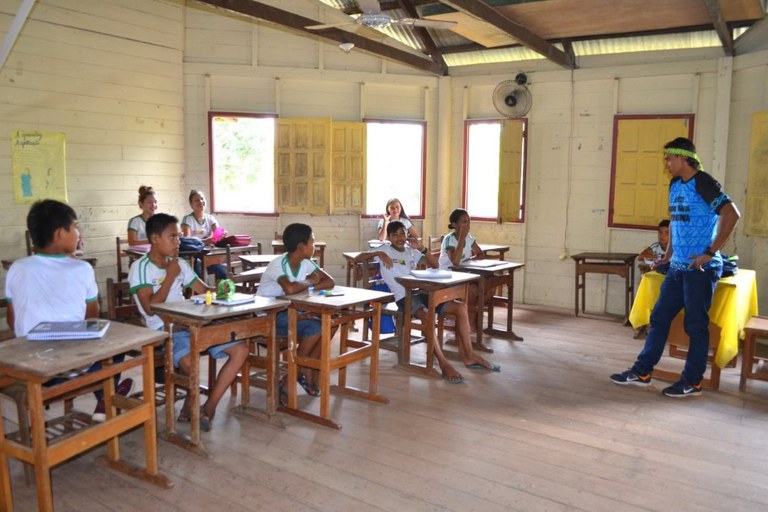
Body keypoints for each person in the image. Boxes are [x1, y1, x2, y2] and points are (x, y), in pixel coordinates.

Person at [610, 137, 740, 398]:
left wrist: (710, 252)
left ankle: (693, 382)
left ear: (683, 158)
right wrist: (667, 256)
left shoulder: (704, 182)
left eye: (669, 159)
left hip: (700, 269)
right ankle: (642, 372)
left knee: (695, 325)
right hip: (678, 267)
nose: (666, 164)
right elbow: (676, 223)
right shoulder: (674, 184)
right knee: (659, 318)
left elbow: (732, 214)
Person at [4, 199, 133, 421]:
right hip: (70, 367)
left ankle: (106, 395)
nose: (79, 234)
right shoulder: (82, 269)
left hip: (26, 366)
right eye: (75, 227)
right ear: (60, 234)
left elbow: (11, 320)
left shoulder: (17, 267)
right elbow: (91, 319)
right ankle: (106, 396)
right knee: (117, 336)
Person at [129, 213, 248, 431]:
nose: (178, 241)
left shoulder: (180, 263)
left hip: (192, 322)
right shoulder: (140, 267)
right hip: (164, 329)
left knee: (240, 350)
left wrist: (222, 290)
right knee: (188, 362)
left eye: (178, 236)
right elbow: (150, 308)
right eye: (172, 237)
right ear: (155, 239)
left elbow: (203, 290)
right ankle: (189, 403)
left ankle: (208, 408)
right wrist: (170, 277)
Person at [354, 220, 500, 384]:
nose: (399, 238)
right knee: (427, 316)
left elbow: (435, 264)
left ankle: (469, 355)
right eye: (395, 235)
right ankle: (443, 363)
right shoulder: (384, 249)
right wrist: (377, 253)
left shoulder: (411, 251)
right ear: (389, 237)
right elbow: (357, 258)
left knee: (460, 307)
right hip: (404, 296)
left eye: (402, 234)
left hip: (421, 292)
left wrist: (422, 248)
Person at [257, 223, 335, 403]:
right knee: (316, 328)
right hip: (268, 317)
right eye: (312, 242)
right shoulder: (278, 264)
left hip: (290, 311)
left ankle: (302, 370)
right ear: (301, 246)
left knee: (331, 324)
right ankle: (296, 374)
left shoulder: (305, 262)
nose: (314, 246)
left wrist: (308, 284)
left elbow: (329, 281)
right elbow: (290, 289)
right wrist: (310, 281)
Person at [181, 189, 227, 281]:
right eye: (196, 200)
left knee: (224, 271)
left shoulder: (210, 218)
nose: (200, 202)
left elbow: (218, 233)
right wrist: (205, 242)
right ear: (191, 204)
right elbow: (187, 241)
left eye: (202, 199)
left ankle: (222, 290)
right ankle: (203, 289)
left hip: (208, 256)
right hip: (194, 257)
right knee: (200, 270)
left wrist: (221, 235)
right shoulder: (188, 219)